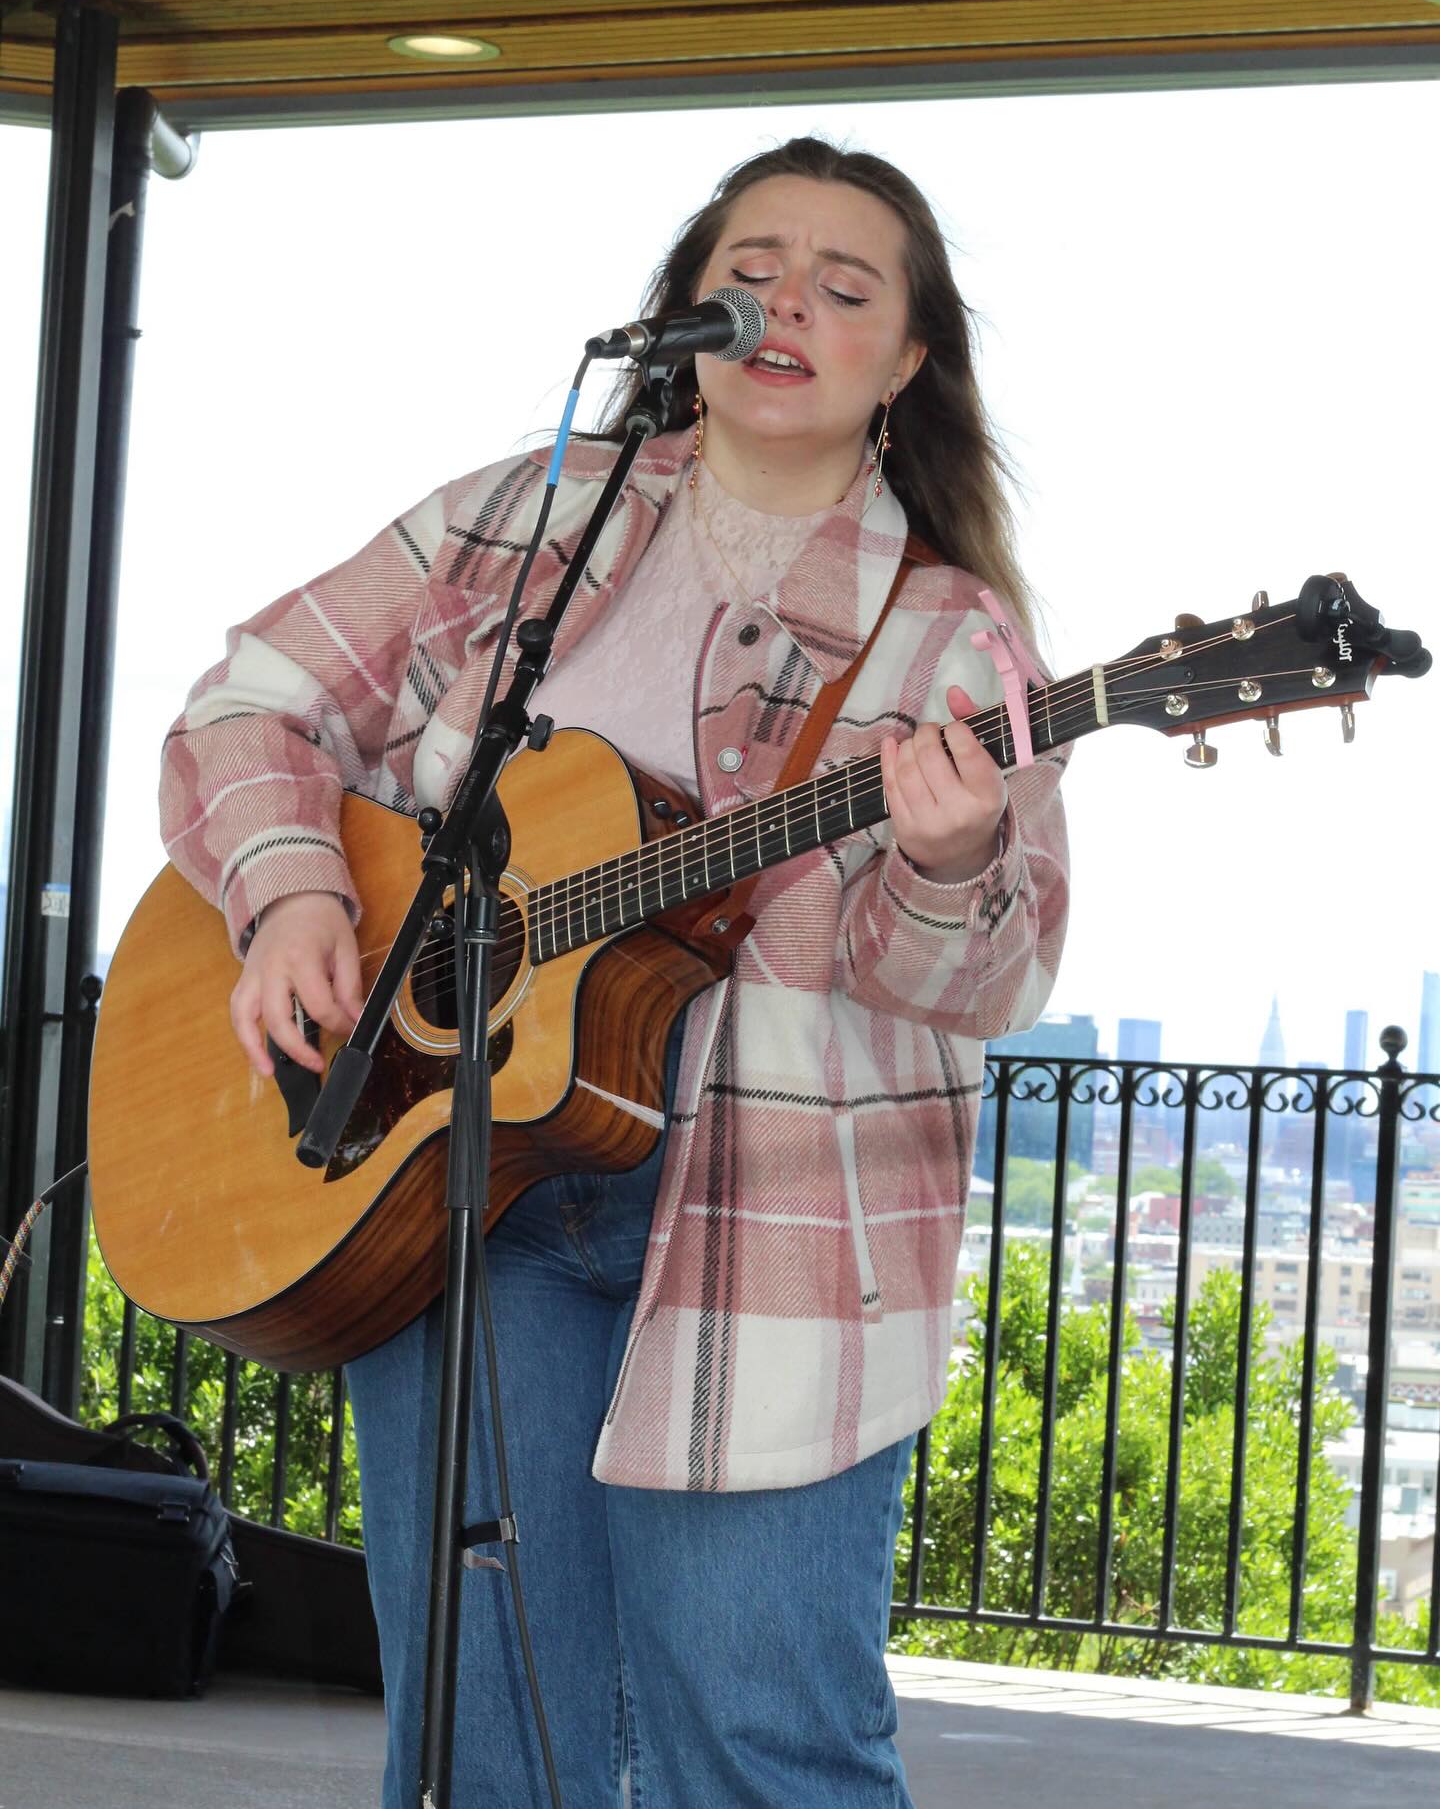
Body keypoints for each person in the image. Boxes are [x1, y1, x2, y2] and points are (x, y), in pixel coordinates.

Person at [160, 136, 1070, 1808]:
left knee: (762, 1743)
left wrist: (946, 864)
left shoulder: (951, 642)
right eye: (751, 273)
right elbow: (253, 699)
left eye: (844, 288)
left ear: (906, 364)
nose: (785, 308)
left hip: (772, 1229)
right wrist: (291, 893)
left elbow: (987, 984)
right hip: (459, 1184)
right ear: (686, 314)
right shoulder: (526, 520)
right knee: (491, 1742)